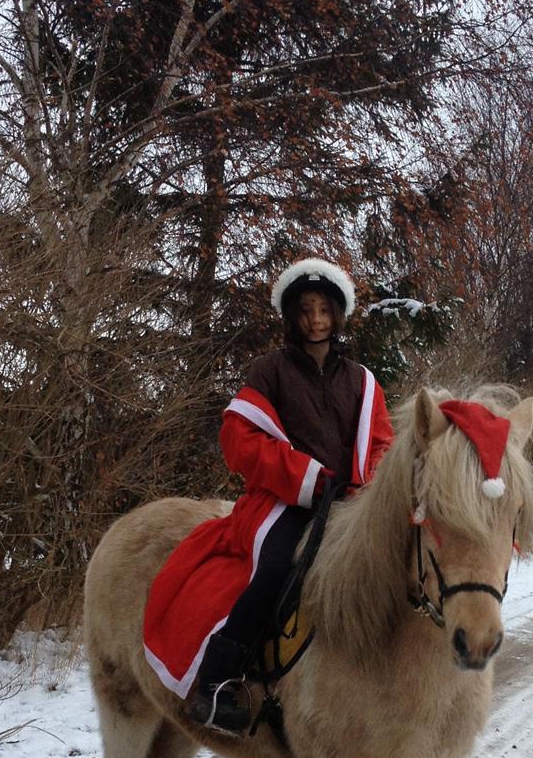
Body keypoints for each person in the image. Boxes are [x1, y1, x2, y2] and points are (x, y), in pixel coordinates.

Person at [141, 257, 393, 732]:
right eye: (306, 310)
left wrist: (370, 487)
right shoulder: (269, 371)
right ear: (292, 316)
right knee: (275, 565)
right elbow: (239, 440)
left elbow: (380, 442)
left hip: (352, 501)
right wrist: (307, 477)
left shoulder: (362, 379)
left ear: (338, 315)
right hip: (285, 500)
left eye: (324, 310)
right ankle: (220, 683)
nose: (316, 320)